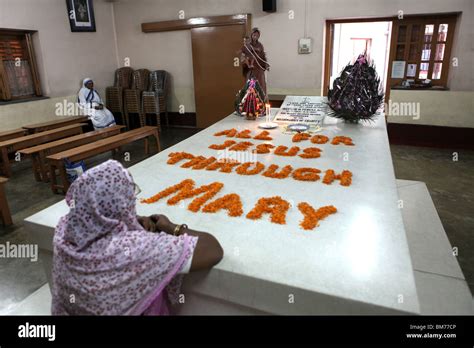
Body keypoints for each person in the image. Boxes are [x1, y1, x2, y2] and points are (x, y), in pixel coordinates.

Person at [51, 160, 223, 315]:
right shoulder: (135, 249)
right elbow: (212, 250)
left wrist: (127, 221)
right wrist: (171, 227)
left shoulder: (63, 233)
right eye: (131, 191)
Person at [240, 28, 270, 97]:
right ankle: (250, 101)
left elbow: (263, 56)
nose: (255, 37)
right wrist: (246, 62)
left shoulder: (260, 45)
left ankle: (262, 101)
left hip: (259, 70)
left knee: (261, 86)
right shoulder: (247, 46)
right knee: (251, 87)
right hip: (251, 70)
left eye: (257, 35)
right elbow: (242, 57)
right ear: (251, 35)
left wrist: (266, 64)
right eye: (254, 35)